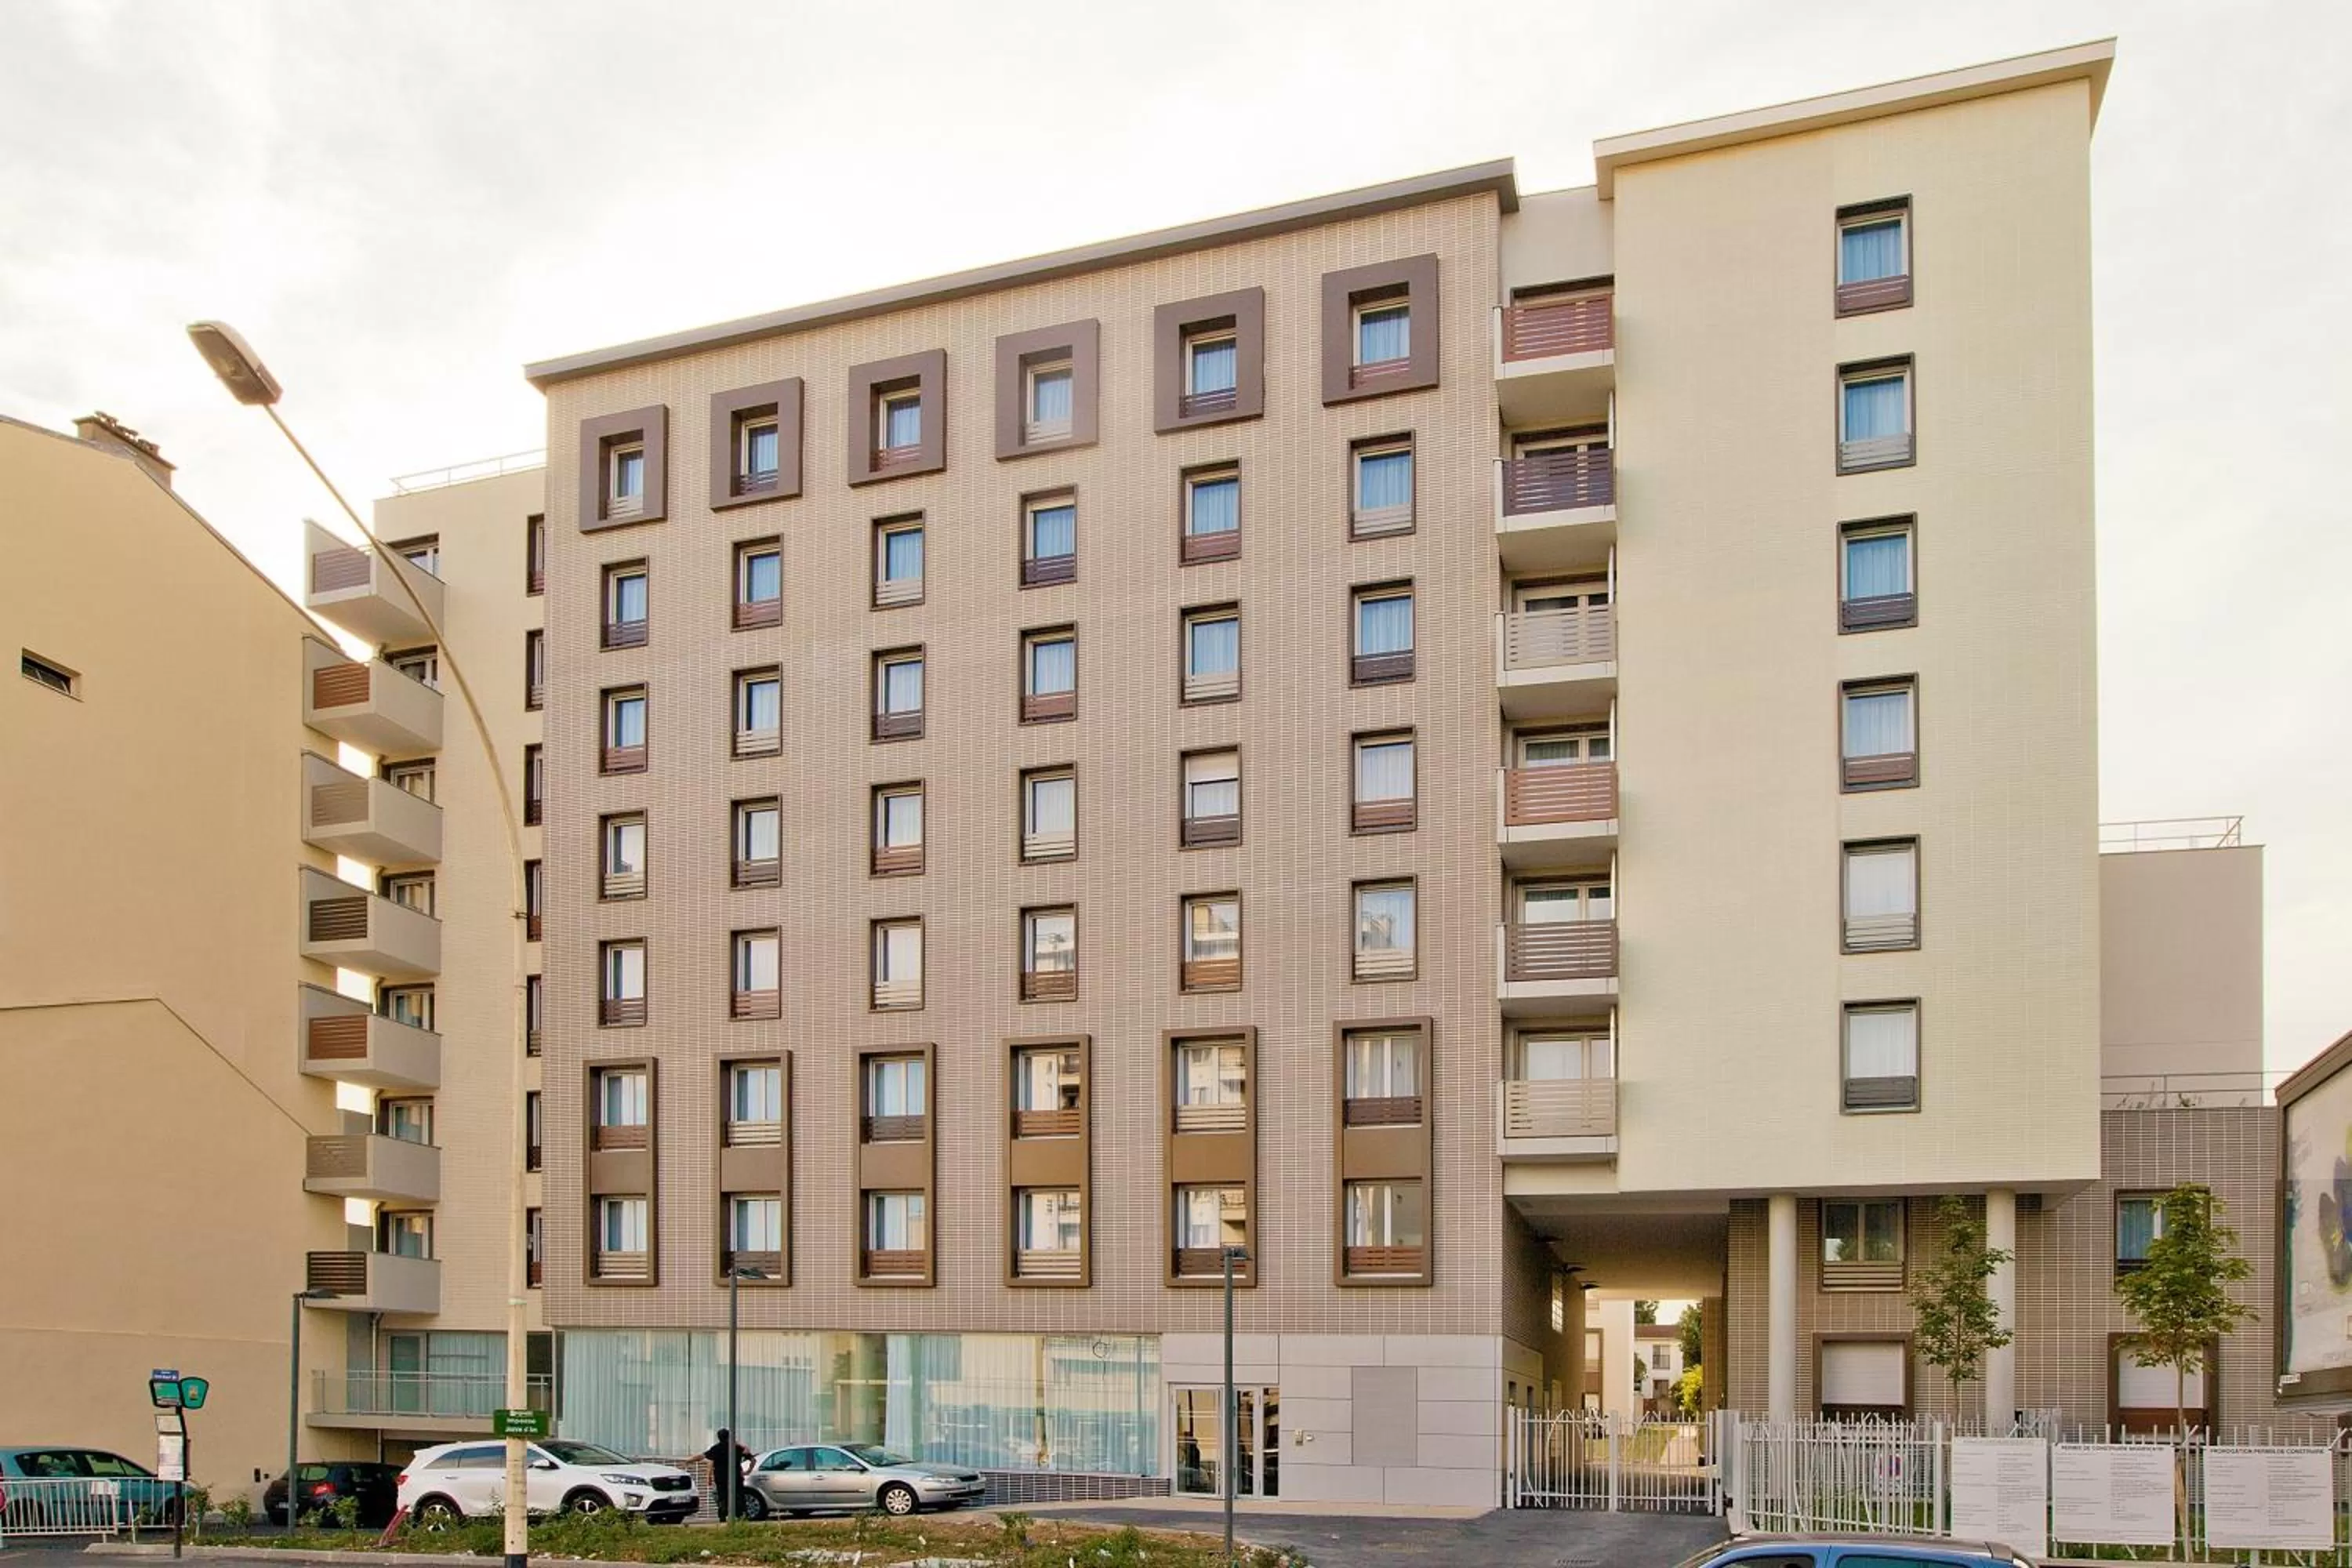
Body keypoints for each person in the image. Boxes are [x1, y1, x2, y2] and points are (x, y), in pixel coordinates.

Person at [702, 1429, 751, 1517]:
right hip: (735, 1476)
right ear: (729, 1436)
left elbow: (711, 1462)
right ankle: (740, 1514)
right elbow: (752, 1458)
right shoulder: (736, 1448)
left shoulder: (716, 1449)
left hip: (721, 1477)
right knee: (738, 1495)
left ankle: (723, 1515)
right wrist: (748, 1471)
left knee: (722, 1496)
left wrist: (708, 1477)